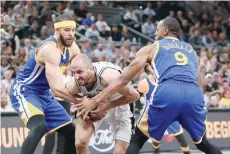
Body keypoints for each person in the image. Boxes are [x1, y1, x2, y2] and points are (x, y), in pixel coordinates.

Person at [76, 17, 223, 154]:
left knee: (139, 139)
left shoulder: (153, 47)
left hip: (169, 91)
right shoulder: (191, 50)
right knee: (203, 144)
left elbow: (122, 79)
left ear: (165, 31)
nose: (154, 33)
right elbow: (199, 81)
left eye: (157, 29)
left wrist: (95, 100)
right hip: (194, 95)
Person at [9, 14, 81, 154]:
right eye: (67, 30)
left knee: (72, 132)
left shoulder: (72, 48)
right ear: (57, 30)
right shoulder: (50, 49)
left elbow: (83, 71)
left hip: (44, 93)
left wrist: (94, 94)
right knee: (40, 126)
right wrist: (82, 101)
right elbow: (57, 89)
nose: (71, 34)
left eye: (73, 30)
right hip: (25, 90)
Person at [66, 54, 139, 154]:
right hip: (94, 99)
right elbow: (61, 92)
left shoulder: (109, 77)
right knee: (80, 142)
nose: (77, 77)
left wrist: (107, 106)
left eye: (79, 72)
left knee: (120, 151)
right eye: (73, 73)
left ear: (90, 69)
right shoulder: (74, 85)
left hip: (120, 101)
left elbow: (134, 96)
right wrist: (82, 102)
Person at [134, 64, 190, 154]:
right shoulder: (145, 83)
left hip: (170, 114)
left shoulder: (168, 79)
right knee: (156, 139)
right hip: (156, 115)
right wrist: (140, 107)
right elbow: (137, 99)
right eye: (151, 67)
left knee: (181, 138)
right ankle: (156, 152)